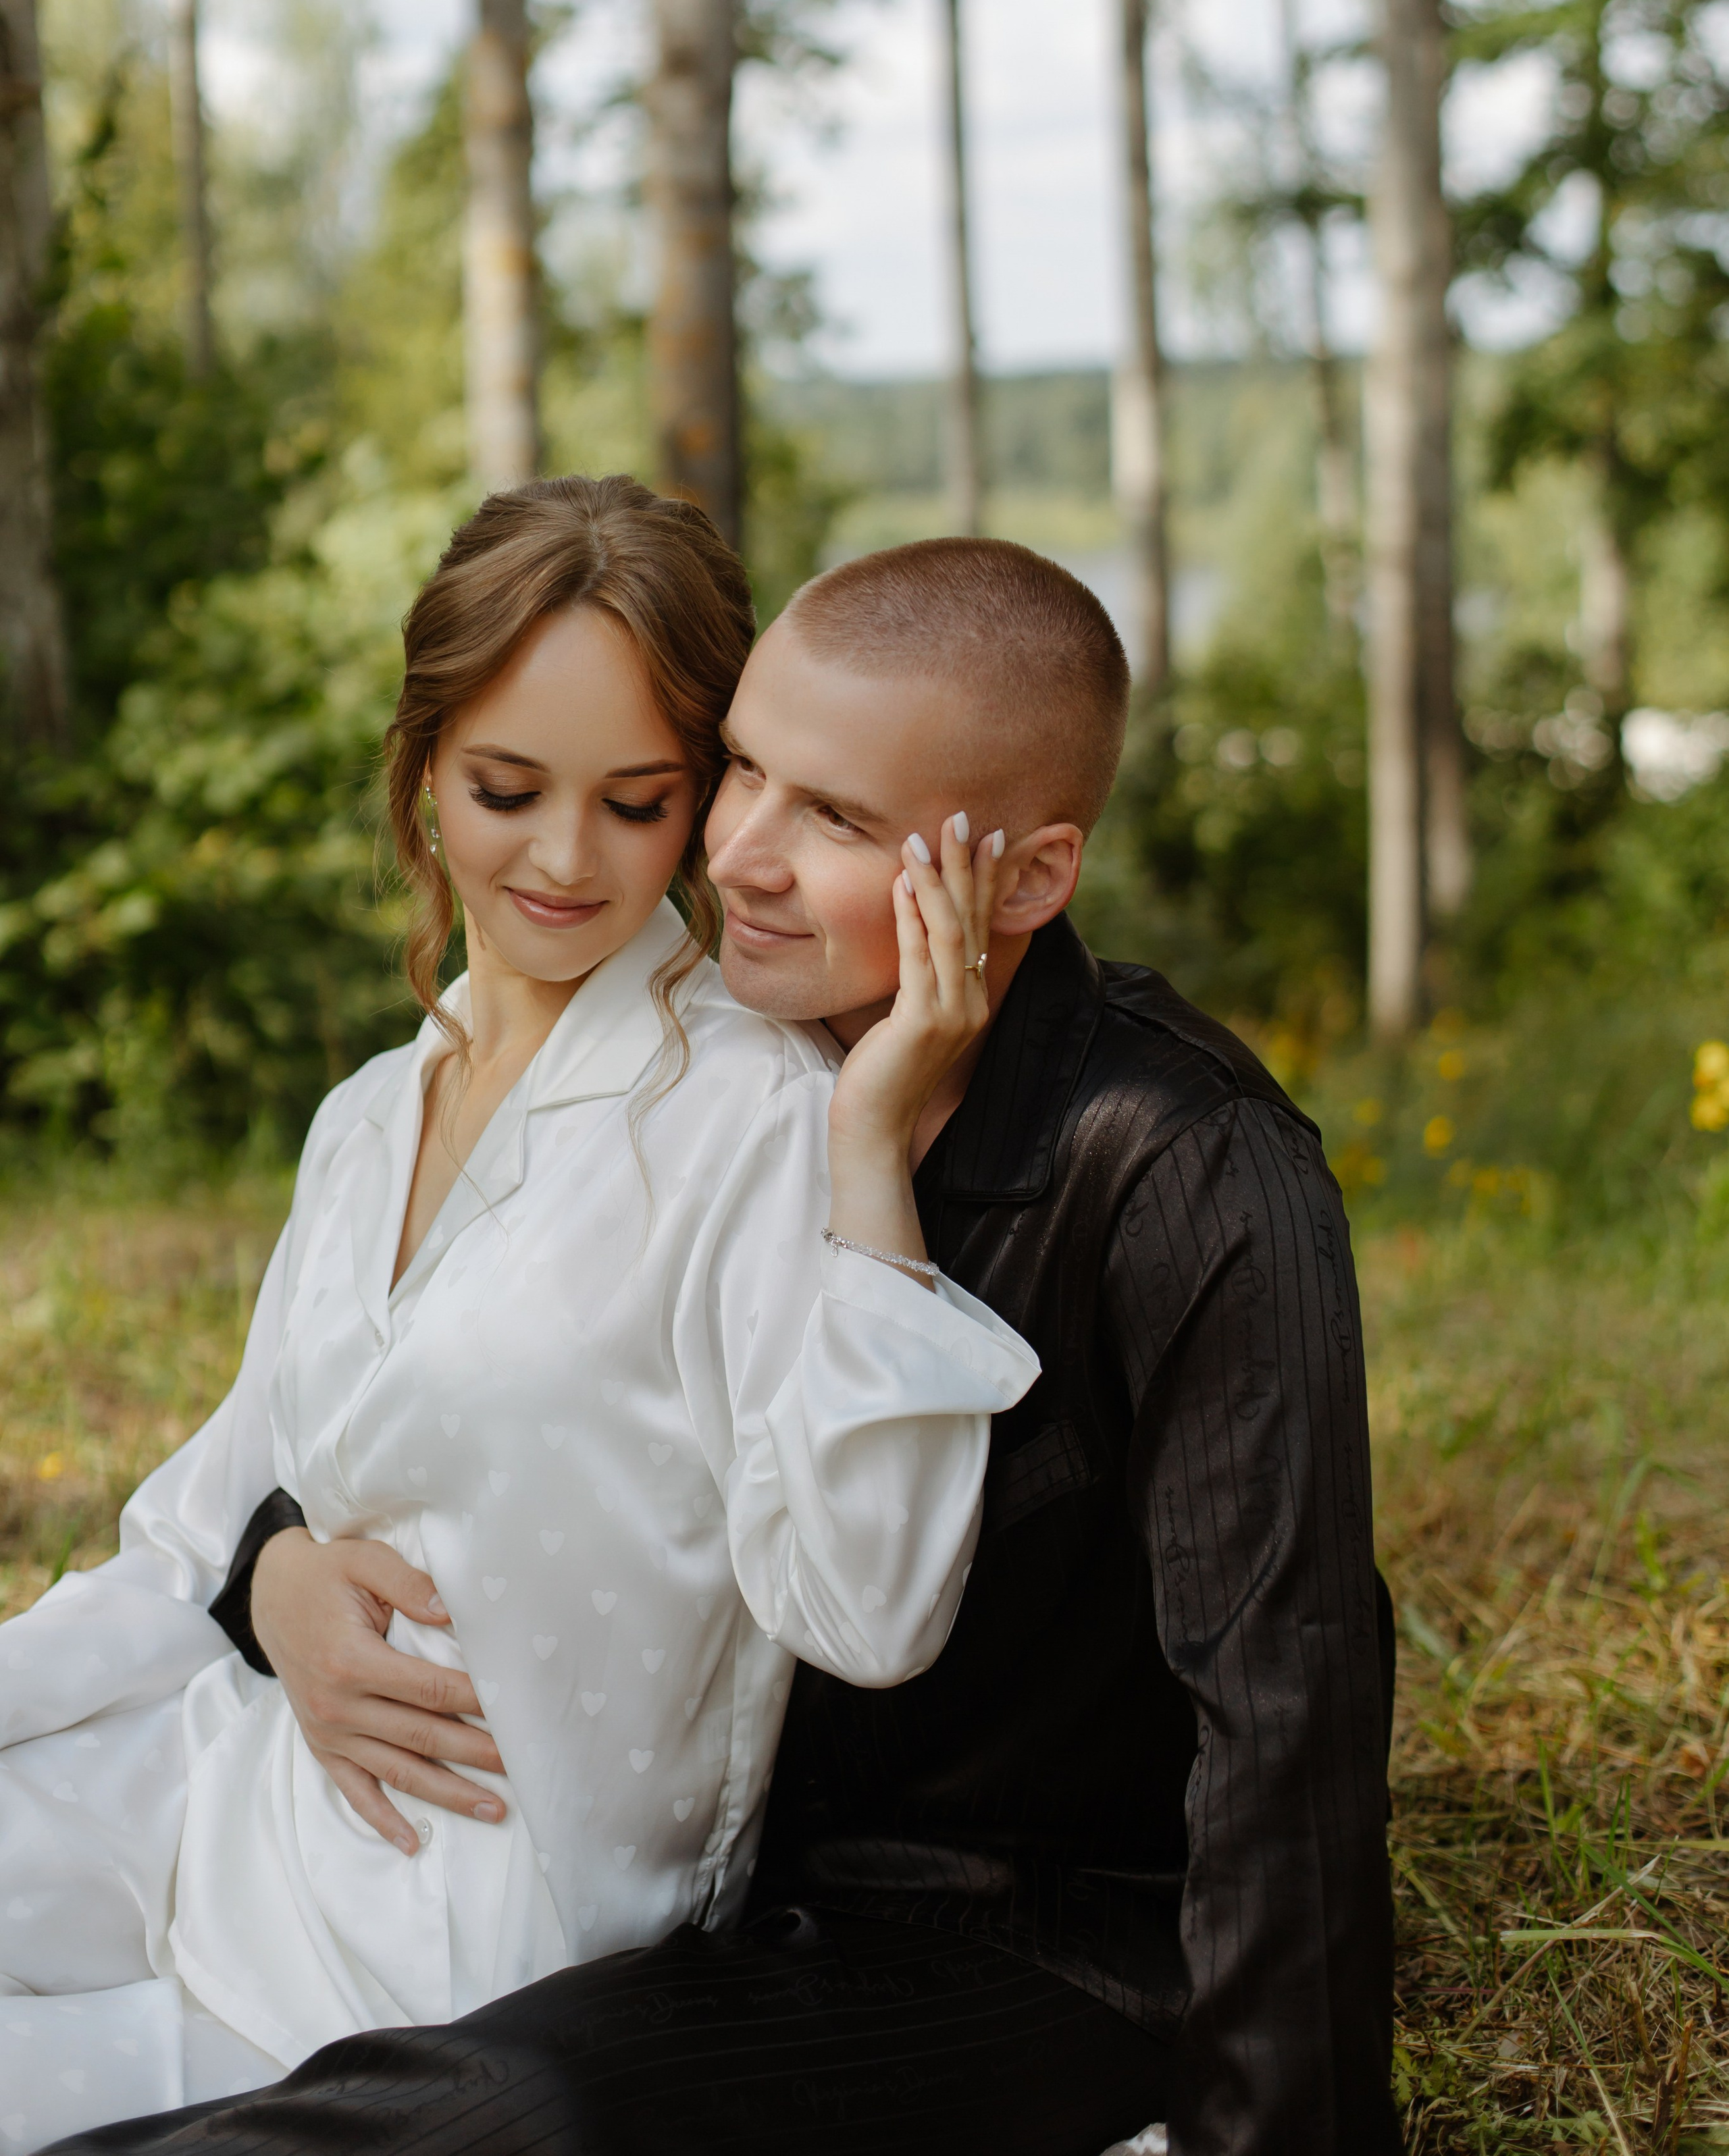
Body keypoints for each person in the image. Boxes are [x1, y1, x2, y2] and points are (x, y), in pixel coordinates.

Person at [51, 536, 1401, 2156]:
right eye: (739, 775)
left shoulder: (1183, 1167)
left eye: (832, 818)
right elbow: (464, 1406)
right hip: (714, 1887)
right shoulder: (697, 1067)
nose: (736, 855)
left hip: (1008, 1930)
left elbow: (1287, 1694)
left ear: (1028, 880)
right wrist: (270, 1566)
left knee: (493, 2116)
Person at [0, 485, 1041, 2156]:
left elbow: (865, 1606)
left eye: (639, 804)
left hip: (444, 1963)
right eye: (505, 790)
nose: (565, 862)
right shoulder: (364, 1116)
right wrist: (270, 1583)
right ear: (422, 775)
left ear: (705, 803)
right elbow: (203, 1518)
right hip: (223, 1796)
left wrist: (868, 1154)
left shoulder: (754, 1121)